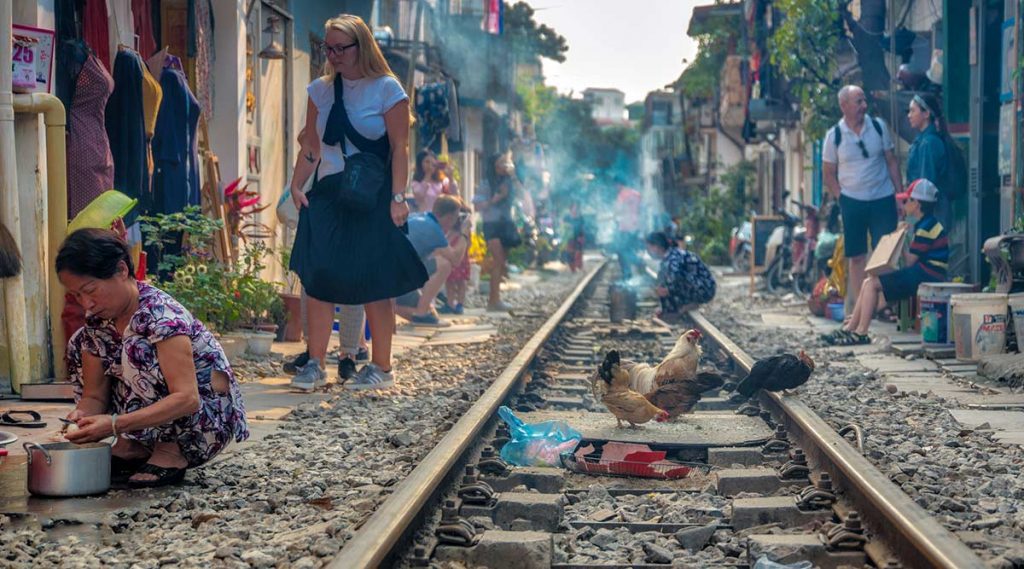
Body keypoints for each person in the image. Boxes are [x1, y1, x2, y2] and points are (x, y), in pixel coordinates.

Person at [288, 14, 427, 391]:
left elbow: (400, 149)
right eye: (327, 48)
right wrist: (297, 184)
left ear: (360, 46)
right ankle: (314, 362)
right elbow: (312, 146)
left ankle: (381, 368)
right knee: (317, 277)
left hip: (373, 197)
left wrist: (399, 198)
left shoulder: (387, 89)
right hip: (330, 193)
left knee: (374, 283)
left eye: (340, 48)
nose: (333, 55)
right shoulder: (319, 90)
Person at [59, 229, 249, 488]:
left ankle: (170, 451)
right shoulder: (99, 322)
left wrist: (114, 424)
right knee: (81, 341)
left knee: (136, 347)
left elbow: (187, 399)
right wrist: (80, 418)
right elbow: (95, 396)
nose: (86, 304)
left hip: (201, 425)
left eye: (90, 290)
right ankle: (132, 446)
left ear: (122, 270)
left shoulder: (161, 317)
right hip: (144, 424)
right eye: (77, 296)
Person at [822, 179, 948, 346]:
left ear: (916, 204)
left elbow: (910, 261)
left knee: (872, 284)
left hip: (927, 274)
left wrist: (901, 237)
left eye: (906, 201)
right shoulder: (926, 224)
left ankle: (861, 332)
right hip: (922, 271)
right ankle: (851, 329)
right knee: (868, 281)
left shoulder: (926, 227)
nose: (903, 205)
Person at [822, 85, 903, 315]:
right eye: (858, 101)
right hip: (852, 201)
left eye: (864, 100)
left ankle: (883, 304)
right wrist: (842, 198)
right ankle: (861, 306)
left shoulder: (878, 127)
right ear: (844, 106)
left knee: (884, 254)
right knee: (856, 255)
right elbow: (828, 173)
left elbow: (891, 162)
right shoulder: (834, 136)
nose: (863, 106)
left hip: (882, 197)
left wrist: (899, 195)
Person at [396, 195, 466, 326]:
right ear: (450, 218)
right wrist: (465, 235)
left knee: (431, 315)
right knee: (444, 265)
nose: (458, 221)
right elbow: (455, 260)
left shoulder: (422, 219)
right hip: (398, 280)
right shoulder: (433, 229)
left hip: (391, 280)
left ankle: (390, 307)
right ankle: (420, 312)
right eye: (457, 217)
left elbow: (444, 247)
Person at [473, 152, 520, 312]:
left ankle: (496, 299)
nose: (505, 165)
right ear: (494, 165)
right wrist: (497, 198)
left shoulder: (509, 181)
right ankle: (493, 301)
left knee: (502, 263)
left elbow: (523, 195)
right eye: (502, 162)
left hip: (506, 224)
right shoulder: (486, 183)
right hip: (491, 225)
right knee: (498, 261)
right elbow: (477, 206)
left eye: (506, 162)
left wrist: (513, 177)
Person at [645, 231, 716, 320]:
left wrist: (665, 291)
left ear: (657, 247)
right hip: (702, 287)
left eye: (649, 248)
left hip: (704, 290)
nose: (648, 251)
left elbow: (675, 281)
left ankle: (684, 308)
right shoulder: (670, 256)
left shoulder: (672, 259)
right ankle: (677, 308)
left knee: (666, 288)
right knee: (663, 285)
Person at [906, 93, 950, 224]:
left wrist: (913, 219)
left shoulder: (928, 143)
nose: (909, 115)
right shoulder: (923, 140)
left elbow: (925, 186)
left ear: (926, 114)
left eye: (913, 111)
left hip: (931, 212)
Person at [441, 202, 473, 315]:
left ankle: (459, 304)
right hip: (453, 261)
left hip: (461, 261)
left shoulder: (463, 233)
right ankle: (451, 303)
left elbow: (468, 245)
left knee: (460, 283)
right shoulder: (451, 231)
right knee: (450, 282)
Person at [614, 184, 644, 280]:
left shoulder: (622, 195)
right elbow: (640, 210)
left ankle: (636, 263)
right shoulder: (637, 194)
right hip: (636, 226)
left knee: (622, 250)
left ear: (619, 184)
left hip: (626, 227)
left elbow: (619, 211)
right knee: (628, 249)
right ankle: (628, 274)